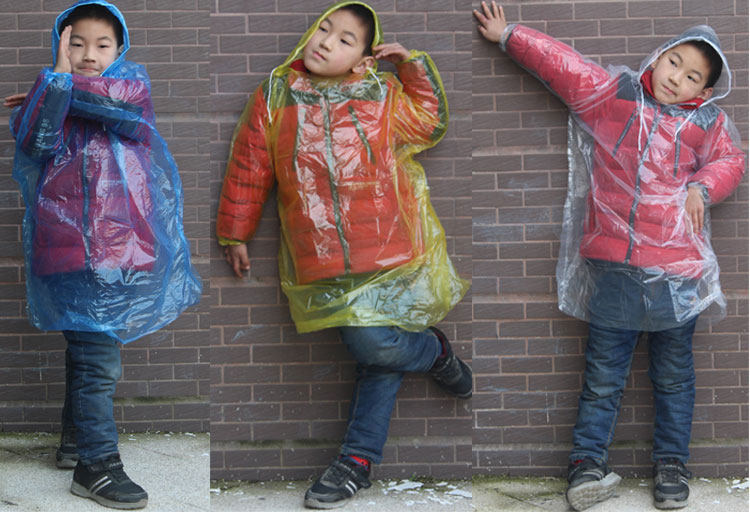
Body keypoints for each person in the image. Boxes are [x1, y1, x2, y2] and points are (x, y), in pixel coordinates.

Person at [474, 2, 745, 510]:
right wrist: (509, 34)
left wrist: (703, 186)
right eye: (674, 62)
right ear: (658, 57)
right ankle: (586, 465)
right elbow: (565, 66)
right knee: (603, 375)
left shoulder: (706, 121)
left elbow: (731, 159)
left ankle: (671, 466)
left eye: (692, 76)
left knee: (674, 376)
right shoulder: (615, 96)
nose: (676, 78)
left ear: (704, 92)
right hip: (615, 265)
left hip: (676, 273)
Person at [217, 1, 471, 508]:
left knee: (374, 348)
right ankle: (430, 357)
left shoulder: (381, 93)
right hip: (321, 255)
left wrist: (411, 68)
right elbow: (250, 164)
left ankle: (356, 459)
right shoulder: (276, 94)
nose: (326, 41)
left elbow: (429, 124)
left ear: (362, 60)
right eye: (324, 29)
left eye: (345, 39)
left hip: (389, 248)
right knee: (375, 350)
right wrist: (235, 231)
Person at [5, 1, 202, 509]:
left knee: (92, 356)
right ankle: (95, 463)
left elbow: (119, 109)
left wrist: (54, 90)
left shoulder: (131, 86)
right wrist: (52, 87)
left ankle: (78, 446)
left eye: (102, 45)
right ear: (61, 46)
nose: (89, 54)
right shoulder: (53, 88)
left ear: (120, 51)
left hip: (119, 251)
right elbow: (35, 141)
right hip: (66, 250)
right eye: (76, 43)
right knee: (94, 359)